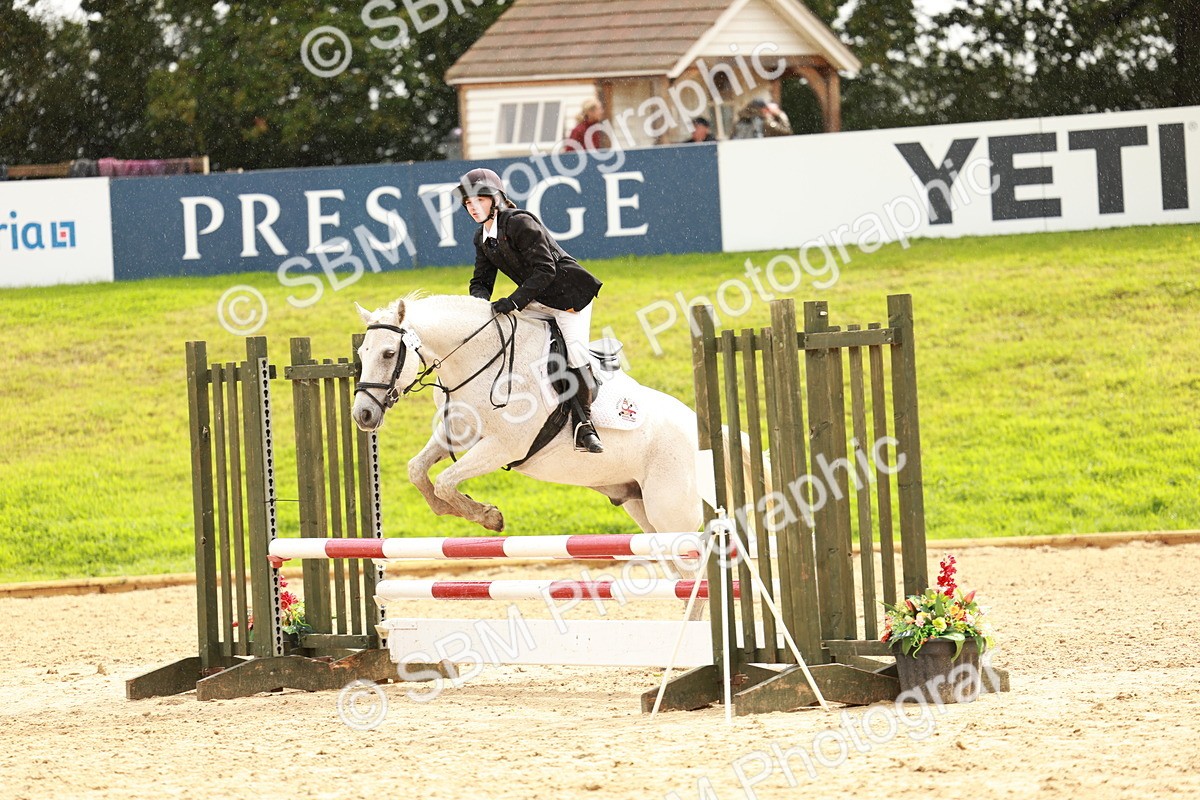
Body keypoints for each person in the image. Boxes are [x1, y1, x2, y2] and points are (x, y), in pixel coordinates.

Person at [453, 167, 605, 454]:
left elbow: (545, 270)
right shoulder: (482, 237)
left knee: (574, 351)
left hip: (568, 299)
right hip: (537, 300)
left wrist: (512, 302)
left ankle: (585, 425)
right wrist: (477, 308)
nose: (473, 208)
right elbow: (481, 281)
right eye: (468, 204)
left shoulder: (520, 222)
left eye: (479, 201)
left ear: (495, 199)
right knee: (511, 337)